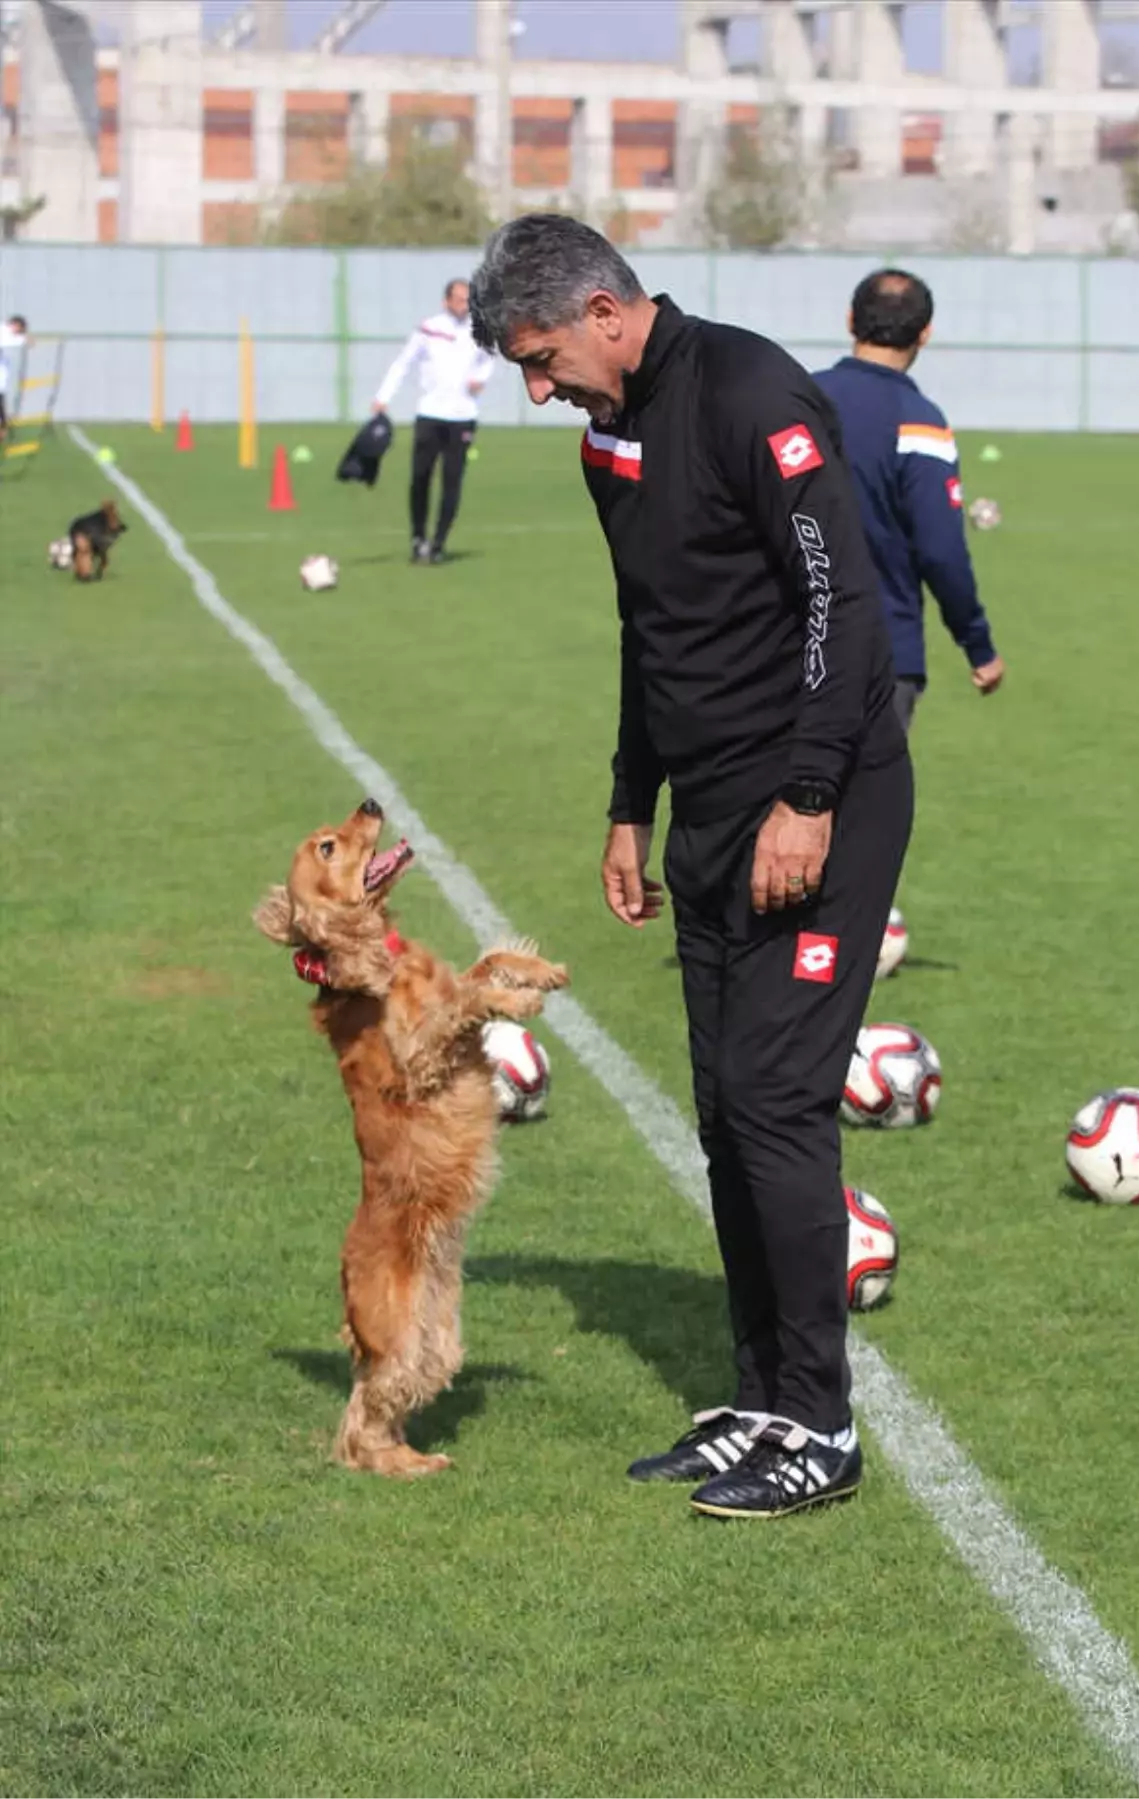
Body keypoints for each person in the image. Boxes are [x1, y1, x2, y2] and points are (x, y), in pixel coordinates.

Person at [469, 216, 912, 1521]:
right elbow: (651, 620)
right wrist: (629, 801)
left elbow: (845, 599)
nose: (540, 389)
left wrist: (811, 792)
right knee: (726, 1106)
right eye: (521, 370)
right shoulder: (611, 434)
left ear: (607, 309)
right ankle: (765, 1397)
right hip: (711, 808)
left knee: (779, 1100)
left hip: (816, 800)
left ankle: (822, 1425)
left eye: (545, 358)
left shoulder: (751, 389)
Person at [814, 270, 1004, 731]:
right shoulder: (920, 423)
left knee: (779, 800)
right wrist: (977, 643)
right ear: (925, 333)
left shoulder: (793, 400)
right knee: (867, 802)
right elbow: (940, 550)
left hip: (778, 645)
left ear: (850, 320)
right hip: (880, 653)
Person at [372, 278, 494, 565]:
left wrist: (480, 379)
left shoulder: (480, 330)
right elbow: (403, 363)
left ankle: (438, 543)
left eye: (469, 299)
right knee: (420, 478)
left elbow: (489, 357)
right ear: (446, 301)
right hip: (429, 415)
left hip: (463, 417)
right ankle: (418, 538)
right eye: (460, 299)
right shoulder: (429, 328)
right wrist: (383, 397)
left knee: (452, 482)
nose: (465, 304)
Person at [0, 314, 28, 444]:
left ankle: (3, 429)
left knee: (1, 402)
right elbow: (11, 341)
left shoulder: (6, 332)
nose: (18, 332)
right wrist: (24, 340)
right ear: (15, 324)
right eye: (19, 329)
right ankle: (4, 429)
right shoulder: (4, 331)